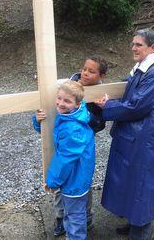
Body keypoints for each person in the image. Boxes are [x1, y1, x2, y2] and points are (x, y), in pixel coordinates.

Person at [95, 28, 154, 240]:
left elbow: (137, 106)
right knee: (131, 180)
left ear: (153, 47)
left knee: (143, 183)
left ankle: (141, 231)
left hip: (146, 135)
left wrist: (108, 106)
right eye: (133, 44)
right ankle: (133, 222)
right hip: (136, 131)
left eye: (138, 44)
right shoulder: (141, 69)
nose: (133, 48)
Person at [52, 55, 108, 236]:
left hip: (79, 144)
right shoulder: (71, 85)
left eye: (91, 71)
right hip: (66, 140)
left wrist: (100, 109)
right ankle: (61, 219)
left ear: (101, 75)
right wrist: (38, 121)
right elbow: (56, 113)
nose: (85, 73)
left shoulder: (100, 93)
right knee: (63, 187)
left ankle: (85, 219)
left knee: (79, 188)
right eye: (85, 68)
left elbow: (99, 124)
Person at [32, 81, 95, 240]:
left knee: (74, 216)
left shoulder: (73, 128)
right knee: (74, 212)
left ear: (77, 103)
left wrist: (52, 181)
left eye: (67, 101)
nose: (60, 103)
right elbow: (54, 132)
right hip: (76, 176)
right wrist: (38, 121)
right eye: (59, 98)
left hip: (74, 178)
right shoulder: (70, 115)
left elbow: (65, 159)